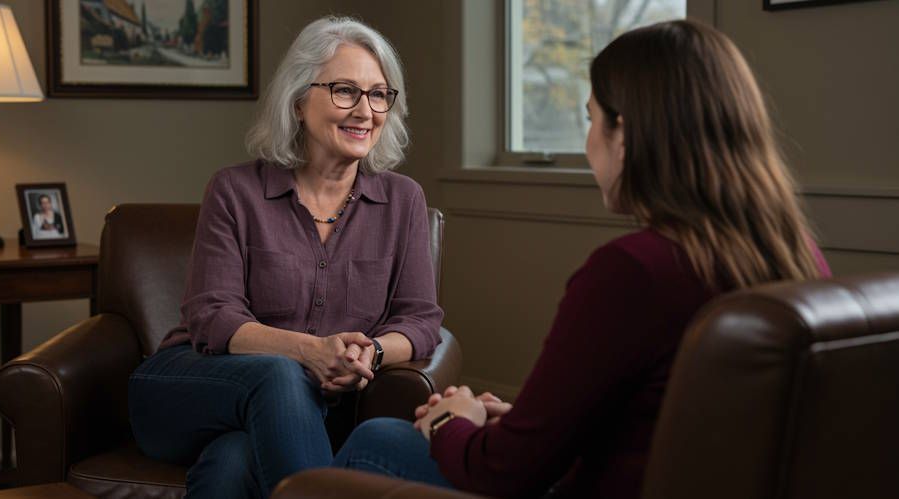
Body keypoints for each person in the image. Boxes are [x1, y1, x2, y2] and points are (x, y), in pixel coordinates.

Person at [332, 19, 831, 498]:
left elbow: (502, 472)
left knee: (377, 439)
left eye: (592, 119)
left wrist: (450, 421)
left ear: (626, 135)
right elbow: (663, 423)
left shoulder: (633, 272)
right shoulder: (799, 258)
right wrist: (523, 422)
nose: (589, 141)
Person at [127, 16, 443, 499]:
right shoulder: (235, 191)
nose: (365, 111)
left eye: (379, 95)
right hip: (192, 385)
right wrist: (309, 351)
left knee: (233, 462)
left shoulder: (403, 200)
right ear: (298, 101)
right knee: (279, 373)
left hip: (303, 413)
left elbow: (419, 319)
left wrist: (370, 353)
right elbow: (213, 315)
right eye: (345, 91)